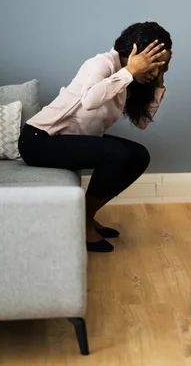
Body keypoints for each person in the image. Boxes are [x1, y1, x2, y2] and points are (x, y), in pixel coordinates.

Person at [18, 22, 172, 253]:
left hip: (67, 141)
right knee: (116, 155)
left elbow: (142, 123)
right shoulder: (102, 64)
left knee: (139, 155)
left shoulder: (132, 81)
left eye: (161, 67)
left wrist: (158, 83)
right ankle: (84, 221)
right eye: (153, 65)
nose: (154, 72)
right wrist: (130, 71)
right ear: (134, 54)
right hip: (39, 140)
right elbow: (90, 100)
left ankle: (86, 216)